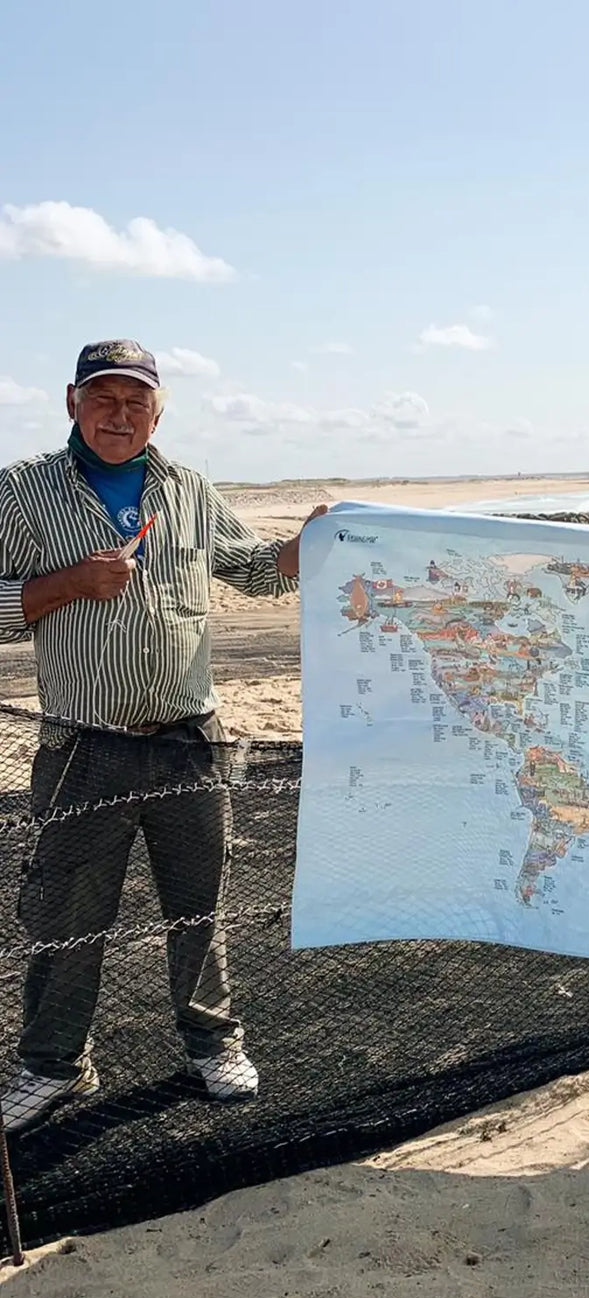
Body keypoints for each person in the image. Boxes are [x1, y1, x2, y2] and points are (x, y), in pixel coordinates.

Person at [0, 340, 325, 1133]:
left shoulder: (186, 487)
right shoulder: (20, 491)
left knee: (197, 906)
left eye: (135, 400)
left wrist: (313, 543)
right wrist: (69, 582)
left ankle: (213, 1044)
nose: (119, 414)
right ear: (71, 402)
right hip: (85, 743)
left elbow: (252, 569)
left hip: (190, 736)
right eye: (103, 398)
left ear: (159, 408)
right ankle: (51, 1066)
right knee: (67, 913)